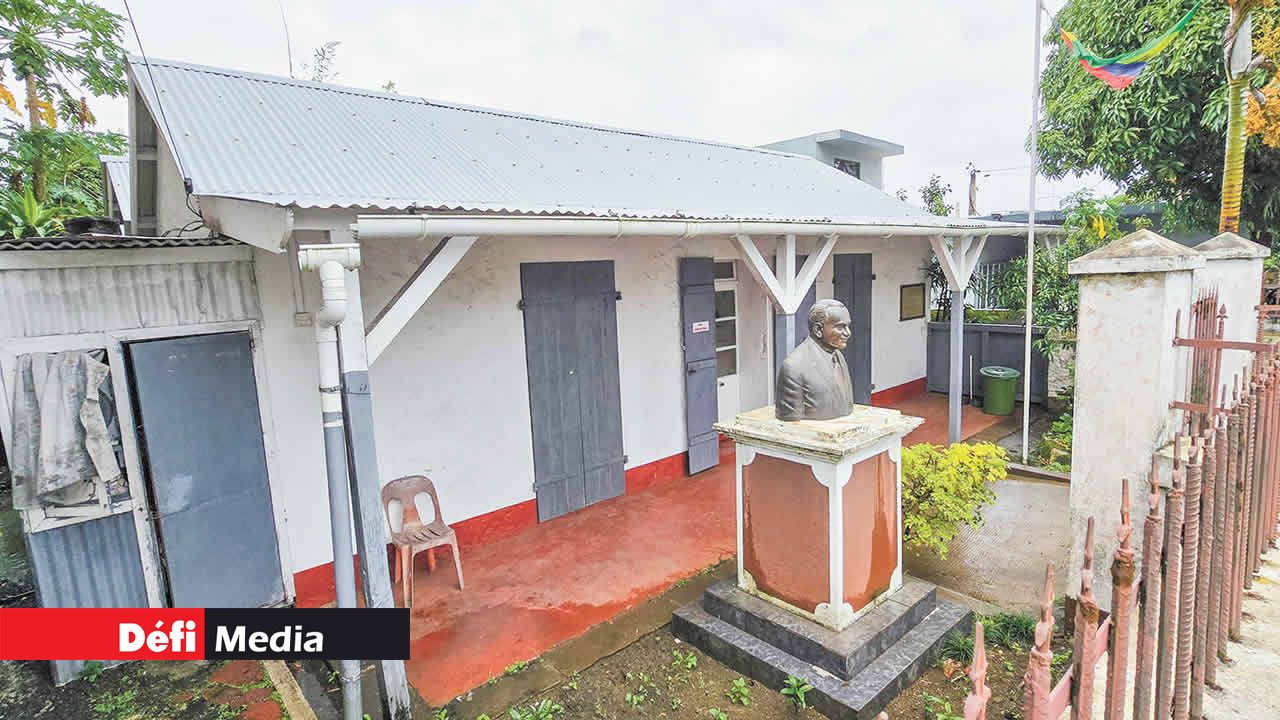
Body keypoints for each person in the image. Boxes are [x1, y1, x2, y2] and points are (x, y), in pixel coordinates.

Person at [775, 299, 854, 421]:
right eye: (840, 327)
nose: (848, 333)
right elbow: (790, 422)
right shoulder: (794, 367)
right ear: (818, 330)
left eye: (848, 326)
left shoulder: (838, 356)